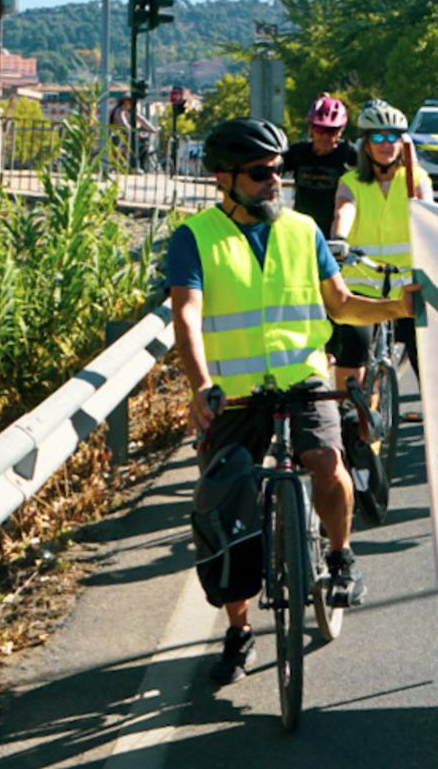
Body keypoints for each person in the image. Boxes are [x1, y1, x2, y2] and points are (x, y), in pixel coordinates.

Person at [173, 118, 416, 687]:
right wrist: (199, 384)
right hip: (232, 394)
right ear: (224, 179)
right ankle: (238, 632)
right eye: (260, 174)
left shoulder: (303, 230)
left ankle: (341, 555)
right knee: (227, 504)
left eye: (278, 171)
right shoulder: (195, 236)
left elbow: (342, 304)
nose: (273, 182)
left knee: (329, 462)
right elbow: (185, 315)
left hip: (304, 380)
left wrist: (397, 309)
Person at [331, 100, 432, 394]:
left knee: (425, 355)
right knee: (353, 347)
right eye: (377, 137)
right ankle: (350, 418)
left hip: (409, 285)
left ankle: (435, 421)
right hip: (363, 286)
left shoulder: (416, 179)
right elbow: (344, 209)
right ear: (365, 145)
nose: (386, 144)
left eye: (392, 137)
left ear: (403, 143)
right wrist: (339, 238)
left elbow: (430, 212)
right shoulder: (351, 181)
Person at [282, 95, 359, 229]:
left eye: (331, 131)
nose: (325, 136)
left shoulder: (350, 154)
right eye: (320, 130)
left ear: (341, 131)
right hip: (302, 228)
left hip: (335, 229)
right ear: (311, 129)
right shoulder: (297, 152)